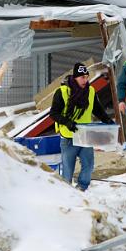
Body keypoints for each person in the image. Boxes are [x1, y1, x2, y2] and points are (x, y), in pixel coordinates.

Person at [49, 62, 114, 191]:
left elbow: (97, 109)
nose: (85, 80)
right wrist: (68, 122)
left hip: (85, 135)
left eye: (86, 77)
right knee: (68, 170)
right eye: (82, 77)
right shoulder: (62, 92)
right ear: (75, 78)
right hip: (69, 137)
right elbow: (53, 114)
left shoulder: (90, 91)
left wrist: (107, 119)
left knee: (89, 165)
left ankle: (81, 189)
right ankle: (66, 192)